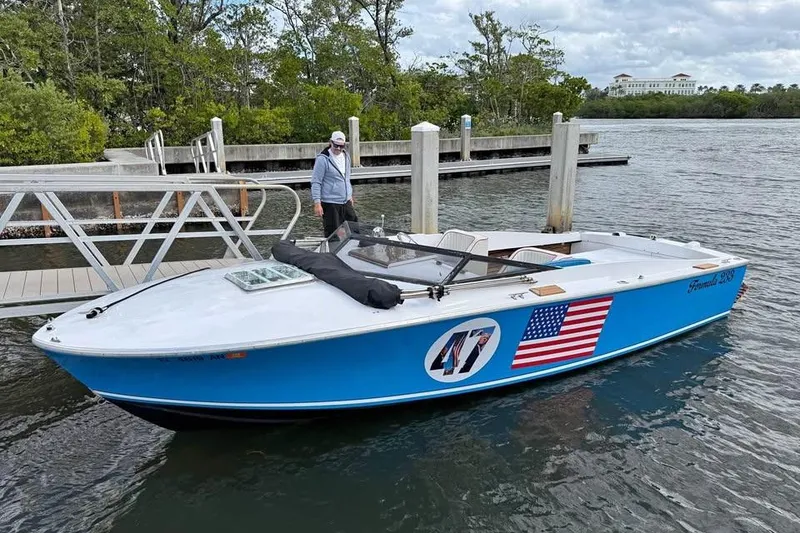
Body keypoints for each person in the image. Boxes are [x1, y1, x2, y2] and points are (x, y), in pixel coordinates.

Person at [311, 130, 358, 237]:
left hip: (345, 201)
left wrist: (349, 195)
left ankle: (355, 249)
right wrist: (317, 203)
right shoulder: (322, 159)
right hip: (330, 202)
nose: (338, 148)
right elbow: (316, 182)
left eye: (341, 146)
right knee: (332, 233)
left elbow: (347, 178)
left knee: (354, 227)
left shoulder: (346, 156)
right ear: (330, 142)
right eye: (336, 145)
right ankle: (331, 250)